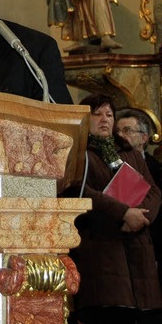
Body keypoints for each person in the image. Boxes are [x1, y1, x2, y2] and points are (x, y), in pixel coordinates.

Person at [66, 94, 162, 324]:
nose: (104, 120)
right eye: (97, 114)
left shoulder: (128, 152)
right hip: (102, 249)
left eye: (109, 115)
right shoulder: (79, 152)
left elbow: (154, 191)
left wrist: (140, 216)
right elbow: (80, 190)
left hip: (139, 249)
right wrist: (124, 213)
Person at [116, 108, 162, 285]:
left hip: (153, 246)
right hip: (118, 246)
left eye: (127, 130)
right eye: (118, 131)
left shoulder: (157, 170)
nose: (120, 135)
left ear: (144, 138)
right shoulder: (109, 163)